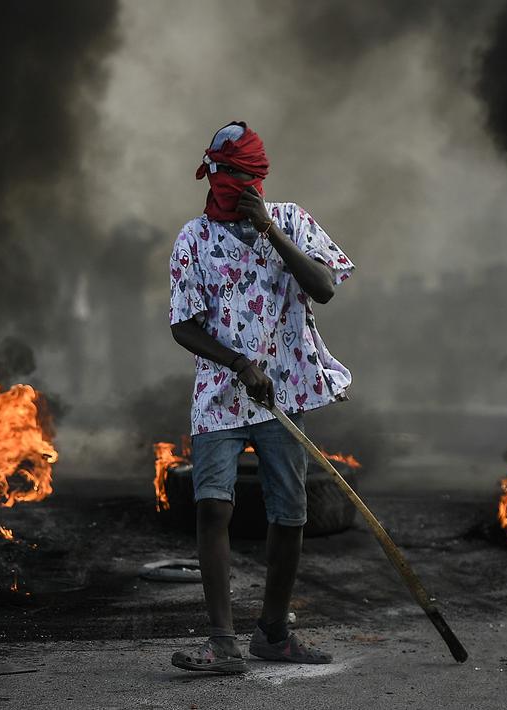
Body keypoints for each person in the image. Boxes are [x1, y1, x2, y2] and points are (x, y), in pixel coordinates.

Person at [167, 121, 355, 673]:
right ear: (211, 173)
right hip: (220, 397)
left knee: (290, 514)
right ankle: (222, 642)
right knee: (212, 506)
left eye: (240, 175)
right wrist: (238, 364)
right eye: (221, 173)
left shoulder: (291, 221)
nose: (229, 184)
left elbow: (324, 287)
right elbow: (182, 325)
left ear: (258, 178)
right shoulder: (194, 239)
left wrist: (270, 230)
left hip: (283, 396)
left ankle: (273, 633)